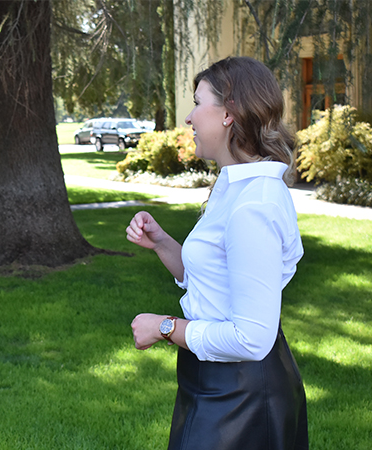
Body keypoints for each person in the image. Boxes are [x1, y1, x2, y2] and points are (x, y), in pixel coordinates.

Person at [126, 56, 308, 450]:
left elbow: (251, 338)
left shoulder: (252, 205)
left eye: (197, 102)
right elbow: (215, 281)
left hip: (241, 398)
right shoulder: (233, 186)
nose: (189, 117)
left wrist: (164, 327)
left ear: (228, 113)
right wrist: (162, 243)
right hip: (215, 384)